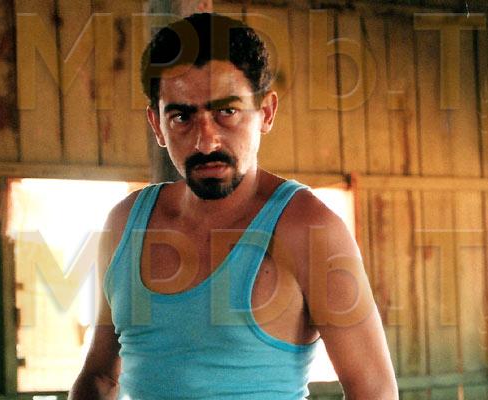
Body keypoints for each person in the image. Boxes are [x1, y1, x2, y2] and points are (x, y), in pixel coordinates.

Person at [69, 13, 397, 400]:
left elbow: (375, 391)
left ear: (266, 113)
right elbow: (99, 378)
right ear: (156, 125)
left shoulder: (309, 228)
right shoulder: (125, 222)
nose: (206, 141)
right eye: (181, 117)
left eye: (226, 112)